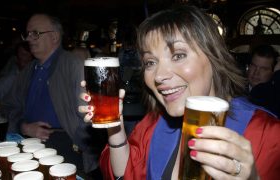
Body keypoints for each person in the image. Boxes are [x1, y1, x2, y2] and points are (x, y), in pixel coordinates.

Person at [79, 5, 280, 180]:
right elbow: (125, 173)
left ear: (214, 57)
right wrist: (115, 129)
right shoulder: (153, 123)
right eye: (151, 62)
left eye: (178, 55)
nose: (159, 75)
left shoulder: (268, 134)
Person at [1, 13, 106, 178]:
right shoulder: (28, 71)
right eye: (27, 34)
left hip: (66, 144)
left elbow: (90, 117)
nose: (29, 38)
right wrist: (23, 126)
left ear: (54, 36)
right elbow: (7, 107)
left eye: (35, 33)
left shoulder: (73, 65)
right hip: (27, 142)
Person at [0, 42, 33, 112]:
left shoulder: (38, 76)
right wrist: (5, 112)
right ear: (16, 59)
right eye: (23, 54)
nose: (28, 57)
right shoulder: (12, 79)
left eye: (30, 54)